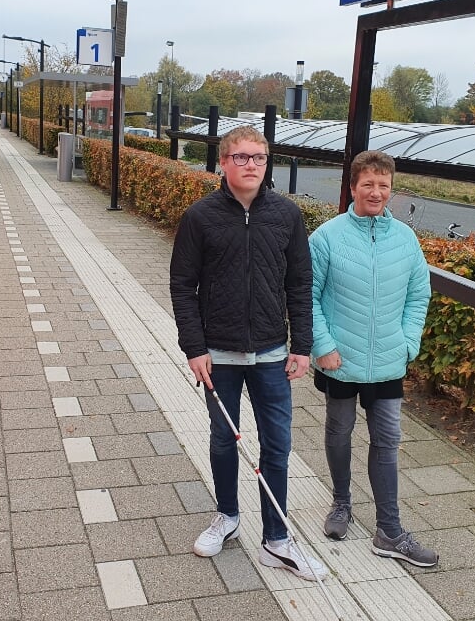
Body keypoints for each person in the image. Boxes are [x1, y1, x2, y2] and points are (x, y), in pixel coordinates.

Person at [169, 125, 327, 581]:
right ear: (223, 163)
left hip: (273, 355)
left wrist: (302, 345)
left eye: (258, 157)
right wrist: (194, 348)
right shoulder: (200, 217)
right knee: (223, 439)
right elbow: (183, 286)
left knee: (277, 444)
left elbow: (300, 283)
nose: (251, 165)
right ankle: (227, 516)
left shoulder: (287, 216)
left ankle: (277, 539)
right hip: (218, 356)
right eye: (241, 157)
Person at [309, 150, 438, 568]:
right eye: (368, 184)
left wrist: (408, 343)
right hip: (338, 358)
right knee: (339, 431)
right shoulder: (326, 237)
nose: (376, 192)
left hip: (387, 358)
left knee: (388, 440)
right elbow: (306, 297)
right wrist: (322, 346)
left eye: (384, 185)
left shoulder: (405, 238)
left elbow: (419, 293)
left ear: (391, 190)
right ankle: (341, 503)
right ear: (352, 188)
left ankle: (390, 529)